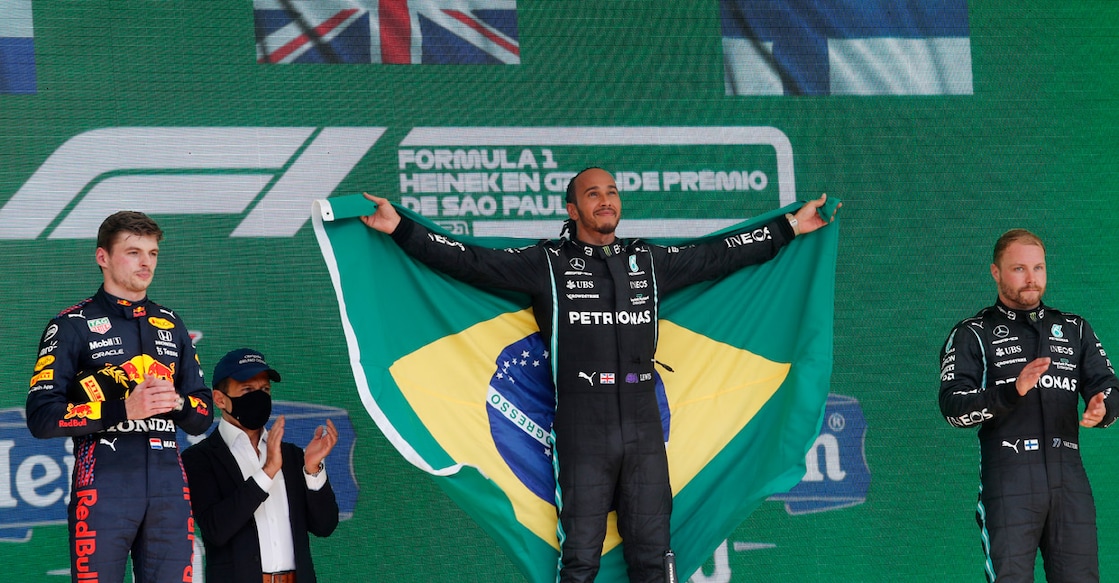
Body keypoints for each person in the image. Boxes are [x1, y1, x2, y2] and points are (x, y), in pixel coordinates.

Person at [361, 167, 837, 583]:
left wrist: (793, 226)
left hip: (644, 426)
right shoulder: (545, 263)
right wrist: (399, 227)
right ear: (572, 208)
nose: (606, 200)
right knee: (580, 560)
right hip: (583, 428)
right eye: (593, 193)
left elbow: (719, 254)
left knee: (654, 559)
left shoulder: (647, 261)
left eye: (612, 191)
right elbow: (467, 259)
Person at [25, 210, 214, 582]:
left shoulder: (171, 322)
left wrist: (176, 403)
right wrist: (123, 408)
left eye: (153, 253)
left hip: (169, 488)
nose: (146, 262)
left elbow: (204, 412)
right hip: (104, 486)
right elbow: (42, 417)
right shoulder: (71, 325)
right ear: (103, 257)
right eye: (133, 252)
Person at [939, 228, 1119, 583]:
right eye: (1019, 268)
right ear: (996, 272)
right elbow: (953, 407)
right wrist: (1011, 391)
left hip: (1070, 480)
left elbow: (1108, 386)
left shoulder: (1074, 329)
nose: (1031, 278)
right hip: (1008, 480)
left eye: (1038, 268)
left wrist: (1103, 409)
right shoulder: (973, 332)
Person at [182, 348, 339, 583]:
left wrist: (312, 470)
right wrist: (267, 473)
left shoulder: (293, 456)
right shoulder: (200, 458)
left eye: (265, 389)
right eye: (247, 390)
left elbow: (324, 525)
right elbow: (216, 530)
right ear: (219, 399)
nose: (259, 397)